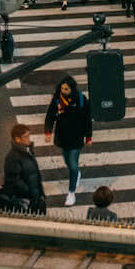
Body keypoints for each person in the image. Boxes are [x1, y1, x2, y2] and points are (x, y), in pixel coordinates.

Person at [43, 75, 93, 206]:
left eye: (65, 89)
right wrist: (48, 131)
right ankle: (76, 174)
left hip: (76, 138)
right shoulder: (57, 99)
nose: (63, 91)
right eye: (62, 88)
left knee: (72, 163)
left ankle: (71, 193)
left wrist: (88, 136)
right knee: (67, 160)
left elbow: (87, 119)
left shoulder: (81, 100)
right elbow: (50, 115)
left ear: (72, 88)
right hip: (62, 137)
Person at [0, 121, 48, 214]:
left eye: (29, 135)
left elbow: (35, 174)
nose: (29, 139)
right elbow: (14, 181)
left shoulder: (27, 152)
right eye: (26, 136)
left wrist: (41, 195)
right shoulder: (12, 157)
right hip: (26, 201)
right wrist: (31, 193)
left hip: (35, 198)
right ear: (17, 139)